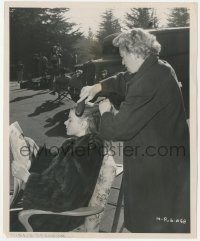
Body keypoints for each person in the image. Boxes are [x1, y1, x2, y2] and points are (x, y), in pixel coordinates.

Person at [78, 28, 190, 233]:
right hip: (164, 159)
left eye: (123, 57)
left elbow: (116, 130)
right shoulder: (157, 67)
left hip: (158, 167)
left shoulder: (149, 81)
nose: (122, 62)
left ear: (135, 53)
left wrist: (105, 112)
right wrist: (98, 87)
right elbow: (124, 79)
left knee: (154, 225)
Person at [11, 106, 104, 232]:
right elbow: (61, 167)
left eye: (70, 120)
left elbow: (62, 198)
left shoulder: (83, 153)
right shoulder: (81, 146)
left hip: (56, 219)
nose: (65, 122)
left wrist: (27, 178)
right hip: (53, 211)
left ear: (84, 123)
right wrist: (37, 152)